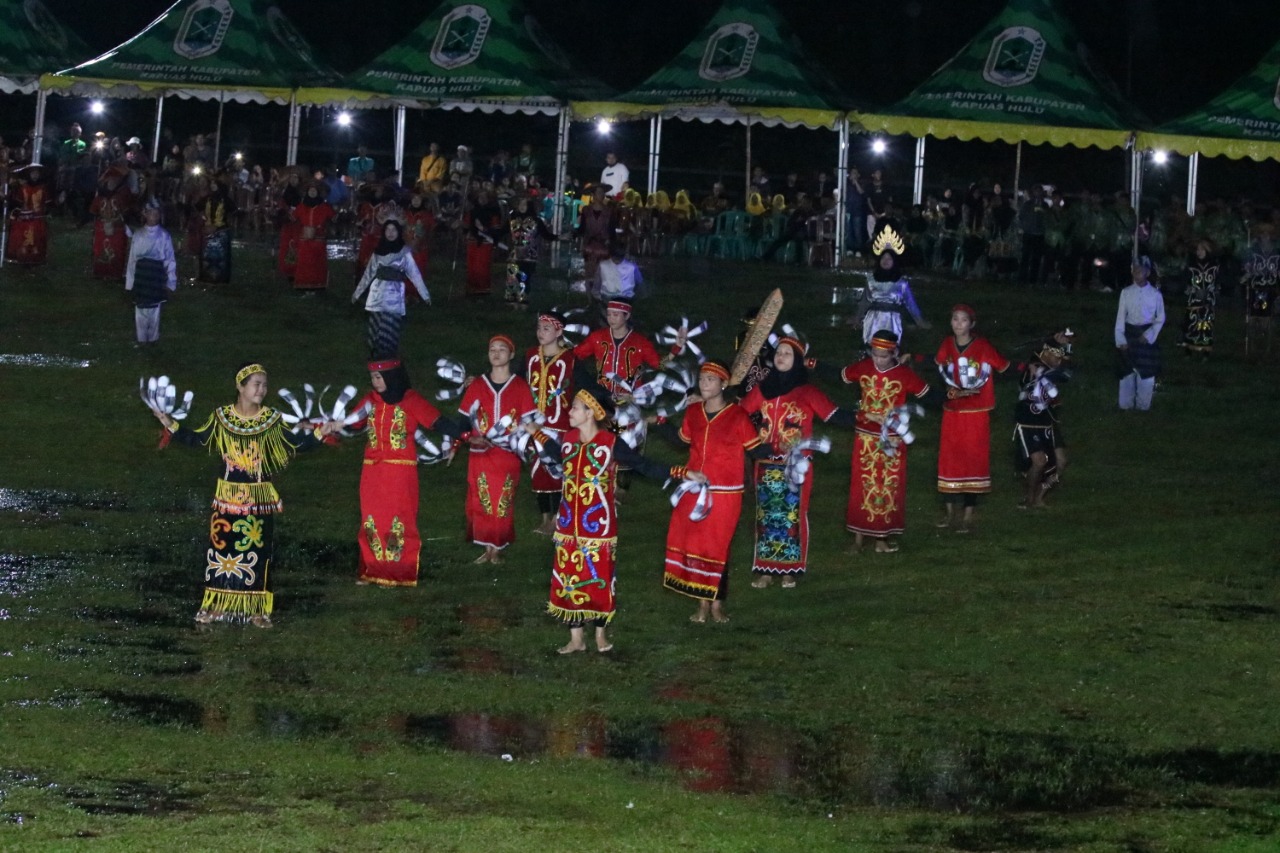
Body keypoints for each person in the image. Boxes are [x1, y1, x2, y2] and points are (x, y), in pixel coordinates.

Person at [148, 363, 338, 627]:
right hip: (226, 499)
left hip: (258, 500)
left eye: (264, 384)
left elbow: (293, 444)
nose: (262, 389)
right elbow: (199, 439)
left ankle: (258, 609)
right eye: (256, 384)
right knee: (221, 553)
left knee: (257, 554)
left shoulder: (270, 420)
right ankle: (217, 606)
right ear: (240, 386)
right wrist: (170, 424)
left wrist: (320, 433)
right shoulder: (222, 417)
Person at [526, 387, 669, 654]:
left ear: (591, 412)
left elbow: (643, 464)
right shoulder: (568, 439)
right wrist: (535, 431)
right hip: (568, 526)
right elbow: (557, 453)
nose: (570, 411)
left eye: (576, 407)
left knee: (599, 579)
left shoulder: (610, 443)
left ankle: (600, 634)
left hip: (598, 527)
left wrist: (679, 472)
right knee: (568, 578)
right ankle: (576, 639)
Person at [740, 335, 854, 585]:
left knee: (793, 514)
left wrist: (868, 416)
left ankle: (790, 570)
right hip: (766, 462)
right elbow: (739, 415)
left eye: (787, 353)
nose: (780, 357)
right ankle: (767, 570)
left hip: (796, 465)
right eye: (778, 352)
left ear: (798, 361)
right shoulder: (763, 388)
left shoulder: (808, 392)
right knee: (766, 516)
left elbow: (835, 415)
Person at [662, 360, 768, 623]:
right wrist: (658, 422)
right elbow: (681, 440)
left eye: (710, 379)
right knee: (695, 545)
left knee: (717, 549)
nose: (704, 384)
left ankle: (717, 605)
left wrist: (783, 447)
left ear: (723, 383)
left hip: (725, 494)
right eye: (701, 379)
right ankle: (701, 604)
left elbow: (756, 450)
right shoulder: (693, 412)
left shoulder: (737, 416)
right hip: (694, 488)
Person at [341, 357, 461, 587]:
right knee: (371, 518)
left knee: (399, 518)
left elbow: (438, 422)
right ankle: (372, 569)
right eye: (373, 378)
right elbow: (352, 423)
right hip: (372, 472)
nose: (375, 382)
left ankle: (398, 571)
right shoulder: (370, 401)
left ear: (392, 377)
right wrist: (326, 427)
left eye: (379, 377)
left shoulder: (411, 401)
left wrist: (463, 437)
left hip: (399, 472)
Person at [842, 331, 932, 552]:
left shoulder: (904, 374)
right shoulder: (862, 367)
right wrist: (811, 363)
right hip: (865, 436)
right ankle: (858, 538)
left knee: (888, 485)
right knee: (862, 484)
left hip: (892, 438)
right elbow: (841, 374)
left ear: (894, 353)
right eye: (875, 354)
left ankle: (882, 538)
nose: (878, 360)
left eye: (884, 356)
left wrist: (952, 394)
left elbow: (927, 393)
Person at [458, 335, 537, 564]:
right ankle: (487, 547)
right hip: (480, 454)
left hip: (506, 454)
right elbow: (463, 421)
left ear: (511, 355)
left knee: (502, 499)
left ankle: (498, 546)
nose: (496, 353)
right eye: (492, 349)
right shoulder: (477, 385)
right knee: (481, 499)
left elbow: (528, 422)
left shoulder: (520, 387)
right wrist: (468, 439)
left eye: (502, 349)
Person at [935, 304, 1010, 532]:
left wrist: (1031, 368)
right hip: (953, 412)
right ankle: (949, 514)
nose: (958, 324)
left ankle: (967, 515)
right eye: (955, 319)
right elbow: (938, 363)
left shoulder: (982, 346)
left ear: (972, 324)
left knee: (972, 460)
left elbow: (1004, 366)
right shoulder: (947, 344)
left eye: (963, 320)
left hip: (976, 414)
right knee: (950, 459)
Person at [525, 313, 576, 536]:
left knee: (556, 471)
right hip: (534, 425)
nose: (541, 332)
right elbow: (517, 380)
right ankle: (544, 517)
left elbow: (581, 386)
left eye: (546, 328)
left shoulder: (569, 359)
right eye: (539, 327)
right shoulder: (530, 357)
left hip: (560, 425)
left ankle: (557, 517)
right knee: (538, 471)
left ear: (558, 332)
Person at [572, 297, 681, 401]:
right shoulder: (597, 337)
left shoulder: (640, 342)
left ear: (627, 315)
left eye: (615, 315)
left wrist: (675, 349)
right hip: (603, 395)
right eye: (609, 314)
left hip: (631, 396)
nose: (611, 319)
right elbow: (575, 355)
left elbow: (659, 364)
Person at [352, 220, 431, 357]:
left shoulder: (404, 252)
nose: (390, 233)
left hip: (394, 293)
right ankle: (374, 351)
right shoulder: (378, 251)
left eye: (393, 230)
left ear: (398, 232)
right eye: (387, 229)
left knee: (390, 323)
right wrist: (357, 293)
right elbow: (368, 274)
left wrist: (425, 294)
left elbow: (414, 274)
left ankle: (387, 351)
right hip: (377, 292)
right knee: (376, 322)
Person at [1013, 335, 1072, 509]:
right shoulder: (1031, 368)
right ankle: (1029, 498)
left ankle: (1040, 496)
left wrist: (1064, 345)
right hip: (1029, 420)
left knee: (1061, 461)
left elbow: (1065, 373)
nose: (1059, 359)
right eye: (1056, 355)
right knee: (1038, 461)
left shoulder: (1054, 371)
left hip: (1048, 420)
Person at [857, 225, 929, 348]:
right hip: (873, 320)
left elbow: (910, 303)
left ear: (894, 261)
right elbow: (865, 300)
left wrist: (919, 321)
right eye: (883, 258)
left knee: (890, 349)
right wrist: (857, 317)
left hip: (892, 320)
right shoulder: (871, 280)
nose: (886, 261)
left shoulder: (901, 283)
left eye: (889, 258)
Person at [1114, 256, 1165, 411]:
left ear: (1147, 273)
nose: (1137, 274)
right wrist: (1120, 339)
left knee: (1146, 373)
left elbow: (1160, 318)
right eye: (1135, 271)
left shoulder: (1155, 295)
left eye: (1141, 271)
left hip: (1146, 336)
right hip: (1129, 333)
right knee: (1128, 371)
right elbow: (1120, 317)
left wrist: (1149, 335)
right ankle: (1126, 404)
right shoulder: (1126, 292)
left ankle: (1143, 405)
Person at [124, 199, 178, 345]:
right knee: (140, 308)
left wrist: (171, 282)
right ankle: (141, 338)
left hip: (155, 275)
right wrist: (130, 283)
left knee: (154, 308)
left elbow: (169, 259)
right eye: (150, 214)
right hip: (142, 276)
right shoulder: (138, 235)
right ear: (145, 214)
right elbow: (132, 259)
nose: (153, 217)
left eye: (156, 214)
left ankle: (153, 338)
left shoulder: (164, 236)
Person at [505, 196, 558, 306]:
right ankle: (512, 301)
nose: (522, 207)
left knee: (524, 278)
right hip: (515, 254)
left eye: (524, 204)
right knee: (513, 276)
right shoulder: (512, 219)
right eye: (520, 204)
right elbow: (503, 231)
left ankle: (523, 300)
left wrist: (559, 237)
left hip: (529, 256)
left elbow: (546, 235)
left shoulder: (536, 221)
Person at [291, 180, 337, 290]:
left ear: (318, 192)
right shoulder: (301, 207)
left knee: (318, 263)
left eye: (314, 190)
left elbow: (334, 219)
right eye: (310, 190)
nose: (312, 192)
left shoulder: (324, 207)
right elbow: (292, 219)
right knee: (304, 263)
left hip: (319, 240)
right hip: (304, 240)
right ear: (307, 192)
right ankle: (303, 285)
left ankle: (318, 285)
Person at [90, 165, 133, 279]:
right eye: (110, 179)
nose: (112, 182)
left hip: (117, 228)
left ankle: (115, 273)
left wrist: (119, 223)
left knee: (117, 250)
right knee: (100, 249)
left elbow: (127, 211)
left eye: (115, 179)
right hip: (101, 227)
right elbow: (94, 210)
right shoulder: (101, 195)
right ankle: (100, 271)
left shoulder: (123, 193)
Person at [5, 164, 49, 265]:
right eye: (33, 173)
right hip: (24, 218)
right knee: (23, 237)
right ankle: (22, 255)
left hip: (38, 218)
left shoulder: (43, 188)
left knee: (37, 237)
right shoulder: (23, 188)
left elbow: (46, 203)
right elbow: (18, 203)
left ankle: (36, 257)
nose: (35, 175)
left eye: (37, 173)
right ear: (29, 174)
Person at [1181, 241, 1219, 358]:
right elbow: (1185, 280)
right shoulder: (1191, 265)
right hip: (1194, 299)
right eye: (1198, 250)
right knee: (1191, 324)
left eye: (1202, 250)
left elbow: (1218, 281)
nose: (1199, 252)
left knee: (1206, 325)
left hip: (1208, 300)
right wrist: (1191, 289)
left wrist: (1212, 290)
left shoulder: (1214, 266)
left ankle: (1206, 351)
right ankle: (1188, 349)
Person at [198, 175, 234, 283]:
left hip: (221, 230)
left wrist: (220, 225)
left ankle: (221, 278)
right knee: (207, 257)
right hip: (208, 229)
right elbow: (197, 208)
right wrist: (205, 219)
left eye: (215, 183)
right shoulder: (207, 198)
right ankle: (206, 277)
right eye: (212, 183)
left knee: (221, 257)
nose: (212, 185)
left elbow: (233, 211)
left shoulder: (225, 199)